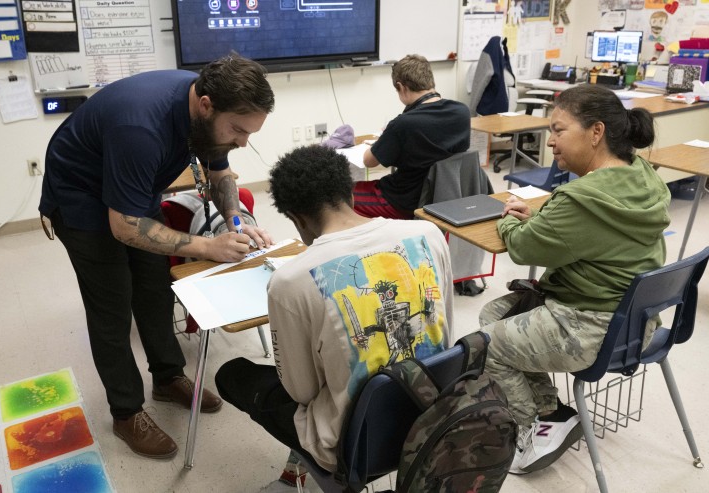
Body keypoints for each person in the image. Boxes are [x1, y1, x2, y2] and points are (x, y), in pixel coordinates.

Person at [38, 54, 275, 459]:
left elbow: (219, 174)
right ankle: (126, 411)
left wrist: (234, 221)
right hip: (81, 198)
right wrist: (207, 246)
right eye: (238, 130)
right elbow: (124, 227)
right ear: (206, 106)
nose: (242, 141)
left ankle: (167, 379)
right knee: (112, 307)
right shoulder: (140, 127)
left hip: (132, 192)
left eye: (249, 132)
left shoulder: (209, 109)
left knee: (155, 288)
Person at [215, 145, 454, 490]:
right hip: (433, 413)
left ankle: (315, 472)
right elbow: (443, 331)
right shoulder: (428, 235)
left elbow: (302, 391)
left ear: (295, 217)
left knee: (232, 374)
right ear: (351, 192)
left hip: (354, 444)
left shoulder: (289, 282)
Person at [478, 85, 670, 475]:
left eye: (559, 130)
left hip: (588, 327)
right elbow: (591, 234)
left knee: (487, 345)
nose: (550, 142)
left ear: (596, 132)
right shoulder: (642, 174)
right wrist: (546, 221)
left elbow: (525, 249)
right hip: (636, 323)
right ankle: (553, 411)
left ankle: (527, 431)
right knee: (494, 313)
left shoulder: (582, 197)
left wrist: (510, 220)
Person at [353, 54, 470, 219]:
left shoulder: (403, 124)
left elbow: (368, 161)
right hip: (446, 197)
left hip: (404, 201)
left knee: (338, 198)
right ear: (430, 80)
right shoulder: (462, 112)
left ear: (401, 87)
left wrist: (386, 137)